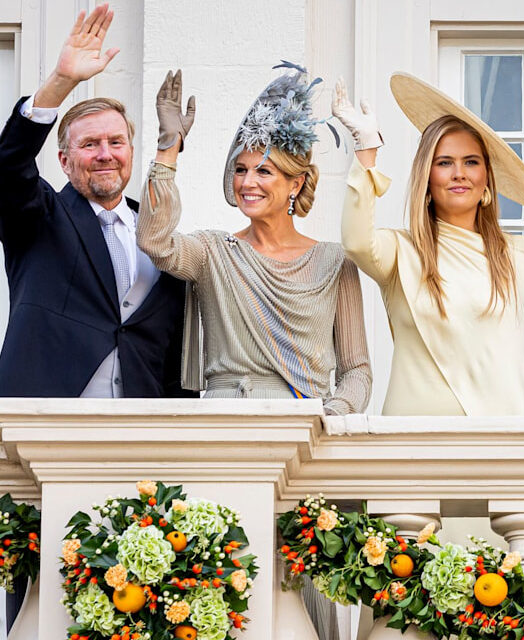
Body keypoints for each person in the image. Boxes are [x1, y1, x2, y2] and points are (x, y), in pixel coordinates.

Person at [135, 64, 371, 417]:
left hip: (305, 426)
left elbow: (357, 371)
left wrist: (330, 418)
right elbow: (155, 241)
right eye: (241, 170)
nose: (247, 183)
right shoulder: (213, 252)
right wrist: (167, 150)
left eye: (263, 171)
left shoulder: (335, 262)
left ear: (295, 183)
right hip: (224, 423)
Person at [0, 4, 193, 404]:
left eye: (116, 142)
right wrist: (61, 83)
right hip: (48, 425)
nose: (105, 154)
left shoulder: (161, 237)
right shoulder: (39, 218)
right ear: (64, 161)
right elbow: (9, 168)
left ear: (131, 152)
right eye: (89, 144)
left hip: (142, 438)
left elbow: (172, 358)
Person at [333, 72, 524, 416]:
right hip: (418, 447)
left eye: (471, 162)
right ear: (427, 179)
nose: (459, 173)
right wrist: (367, 150)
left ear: (487, 179)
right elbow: (356, 242)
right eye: (444, 163)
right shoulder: (402, 252)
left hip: (508, 450)